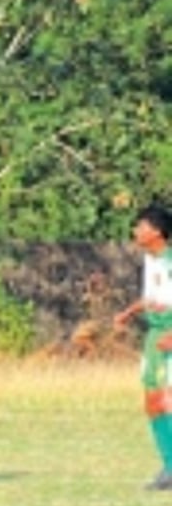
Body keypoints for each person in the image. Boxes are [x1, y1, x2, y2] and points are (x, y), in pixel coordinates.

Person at [114, 204, 172, 490]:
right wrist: (129, 312)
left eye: (141, 226)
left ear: (157, 232)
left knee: (168, 401)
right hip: (155, 336)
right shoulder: (151, 260)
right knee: (153, 403)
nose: (136, 231)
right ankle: (169, 467)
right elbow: (151, 298)